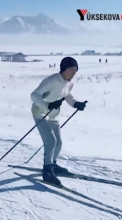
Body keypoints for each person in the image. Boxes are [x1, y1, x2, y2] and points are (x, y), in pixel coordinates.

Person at [30, 57, 87, 186]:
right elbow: (34, 95)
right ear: (64, 69)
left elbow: (67, 96)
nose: (74, 73)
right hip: (40, 113)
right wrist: (47, 105)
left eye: (76, 70)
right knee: (50, 141)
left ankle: (53, 164)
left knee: (58, 143)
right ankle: (47, 170)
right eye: (72, 70)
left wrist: (76, 104)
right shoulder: (52, 80)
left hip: (53, 115)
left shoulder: (69, 83)